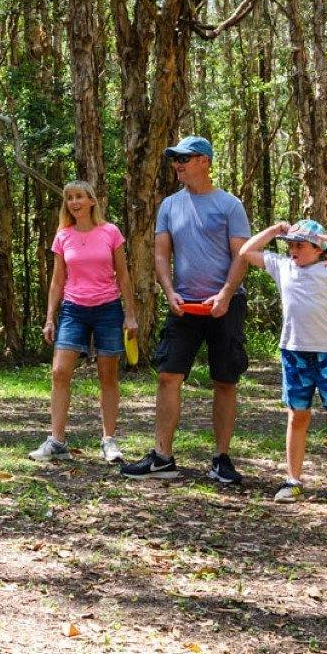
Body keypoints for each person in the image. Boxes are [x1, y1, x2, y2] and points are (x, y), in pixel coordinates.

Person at [118, 135, 252, 485]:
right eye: (175, 158)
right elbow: (162, 253)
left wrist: (225, 294)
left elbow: (242, 255)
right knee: (168, 375)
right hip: (183, 305)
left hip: (226, 305)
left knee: (225, 380)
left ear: (205, 161)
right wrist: (169, 290)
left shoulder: (230, 205)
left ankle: (221, 458)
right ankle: (162, 458)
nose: (178, 163)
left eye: (185, 157)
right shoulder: (169, 205)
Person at [222, 218, 327, 504]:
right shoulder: (283, 267)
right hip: (293, 353)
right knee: (297, 415)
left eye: (300, 245)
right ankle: (293, 481)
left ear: (318, 249)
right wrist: (274, 231)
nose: (293, 250)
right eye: (290, 245)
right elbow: (245, 252)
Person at [29, 181, 132, 463]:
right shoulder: (64, 235)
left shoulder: (110, 232)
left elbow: (123, 275)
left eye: (79, 197)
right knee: (60, 372)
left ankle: (109, 440)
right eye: (69, 198)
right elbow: (57, 280)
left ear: (91, 201)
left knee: (107, 376)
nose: (74, 202)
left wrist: (131, 315)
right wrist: (50, 317)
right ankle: (57, 442)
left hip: (108, 309)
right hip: (73, 309)